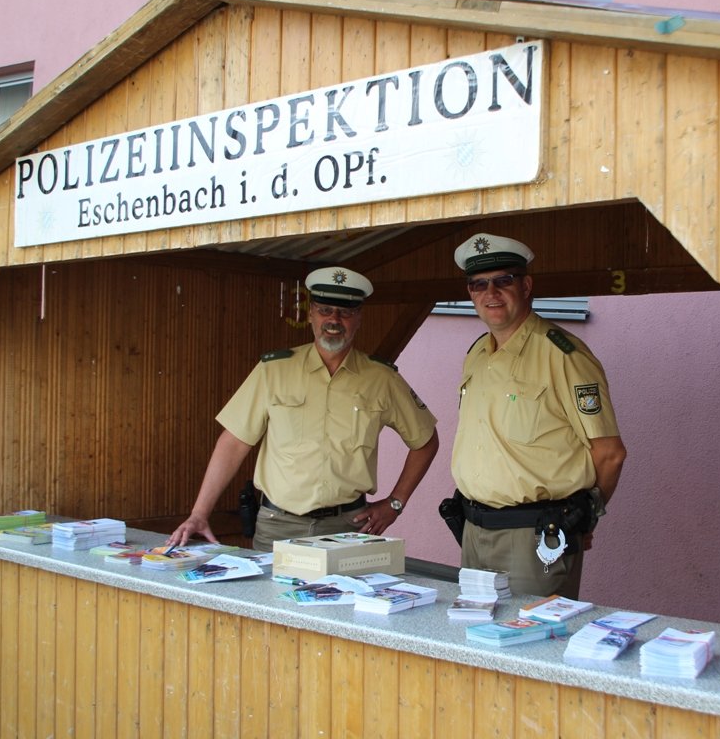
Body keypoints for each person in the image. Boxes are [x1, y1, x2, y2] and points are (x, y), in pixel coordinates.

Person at [168, 266, 439, 552]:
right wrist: (199, 513)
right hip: (278, 526)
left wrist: (395, 503)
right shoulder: (274, 371)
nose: (334, 320)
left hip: (348, 527)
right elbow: (234, 442)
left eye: (345, 312)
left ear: (359, 318)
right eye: (325, 310)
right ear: (311, 314)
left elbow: (425, 440)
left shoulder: (381, 378)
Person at [450, 233, 627, 599]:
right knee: (473, 632)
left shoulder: (563, 354)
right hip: (473, 529)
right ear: (470, 293)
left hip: (535, 537)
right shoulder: (477, 354)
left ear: (526, 286)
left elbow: (610, 453)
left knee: (531, 631)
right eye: (479, 284)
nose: (491, 293)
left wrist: (585, 517)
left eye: (503, 281)